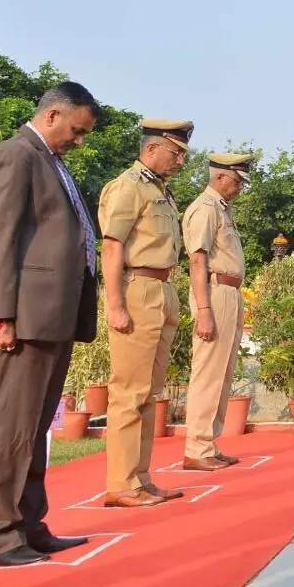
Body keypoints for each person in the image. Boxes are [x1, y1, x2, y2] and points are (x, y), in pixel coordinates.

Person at [0, 82, 102, 565]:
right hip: (24, 316)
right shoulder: (16, 155)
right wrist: (0, 314)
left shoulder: (51, 160)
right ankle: (0, 535)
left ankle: (29, 524)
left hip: (54, 315)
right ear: (52, 115)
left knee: (34, 429)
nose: (80, 140)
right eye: (77, 130)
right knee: (11, 429)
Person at [98, 119, 192, 508]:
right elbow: (112, 245)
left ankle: (140, 477)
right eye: (176, 153)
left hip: (163, 289)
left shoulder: (160, 192)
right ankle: (120, 483)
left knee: (150, 393)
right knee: (129, 392)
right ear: (152, 149)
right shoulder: (128, 187)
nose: (181, 162)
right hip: (137, 289)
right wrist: (115, 305)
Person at [182, 152, 256, 471]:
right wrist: (204, 309)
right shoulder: (206, 208)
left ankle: (208, 444)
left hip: (230, 292)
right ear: (220, 176)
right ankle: (197, 448)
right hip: (213, 291)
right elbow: (197, 260)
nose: (239, 188)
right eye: (237, 181)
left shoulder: (222, 209)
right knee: (208, 371)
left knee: (222, 372)